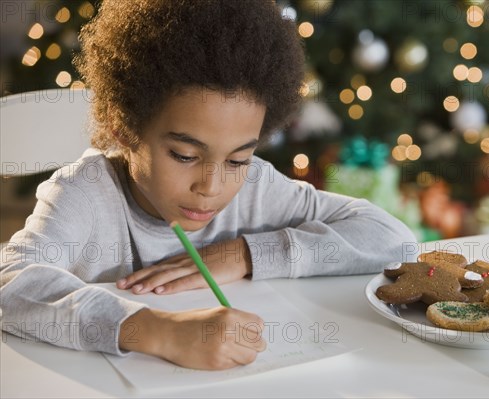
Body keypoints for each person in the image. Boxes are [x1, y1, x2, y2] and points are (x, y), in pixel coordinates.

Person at [0, 0, 416, 370]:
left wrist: (244, 254)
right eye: (184, 155)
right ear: (123, 127)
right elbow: (11, 283)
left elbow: (392, 238)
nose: (212, 187)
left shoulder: (254, 188)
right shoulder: (86, 192)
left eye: (238, 158)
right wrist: (158, 332)